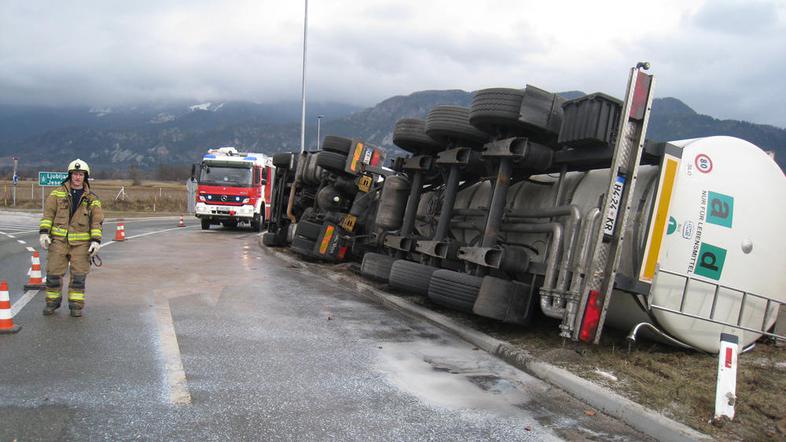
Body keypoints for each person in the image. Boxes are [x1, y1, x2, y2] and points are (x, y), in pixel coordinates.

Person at [39, 159, 104, 317]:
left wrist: (95, 241)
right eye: (75, 174)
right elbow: (48, 215)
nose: (77, 177)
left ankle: (76, 306)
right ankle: (52, 304)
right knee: (53, 274)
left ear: (85, 177)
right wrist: (44, 232)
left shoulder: (92, 199)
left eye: (80, 174)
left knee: (78, 277)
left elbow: (97, 222)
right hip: (58, 243)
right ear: (70, 175)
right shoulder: (56, 194)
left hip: (81, 245)